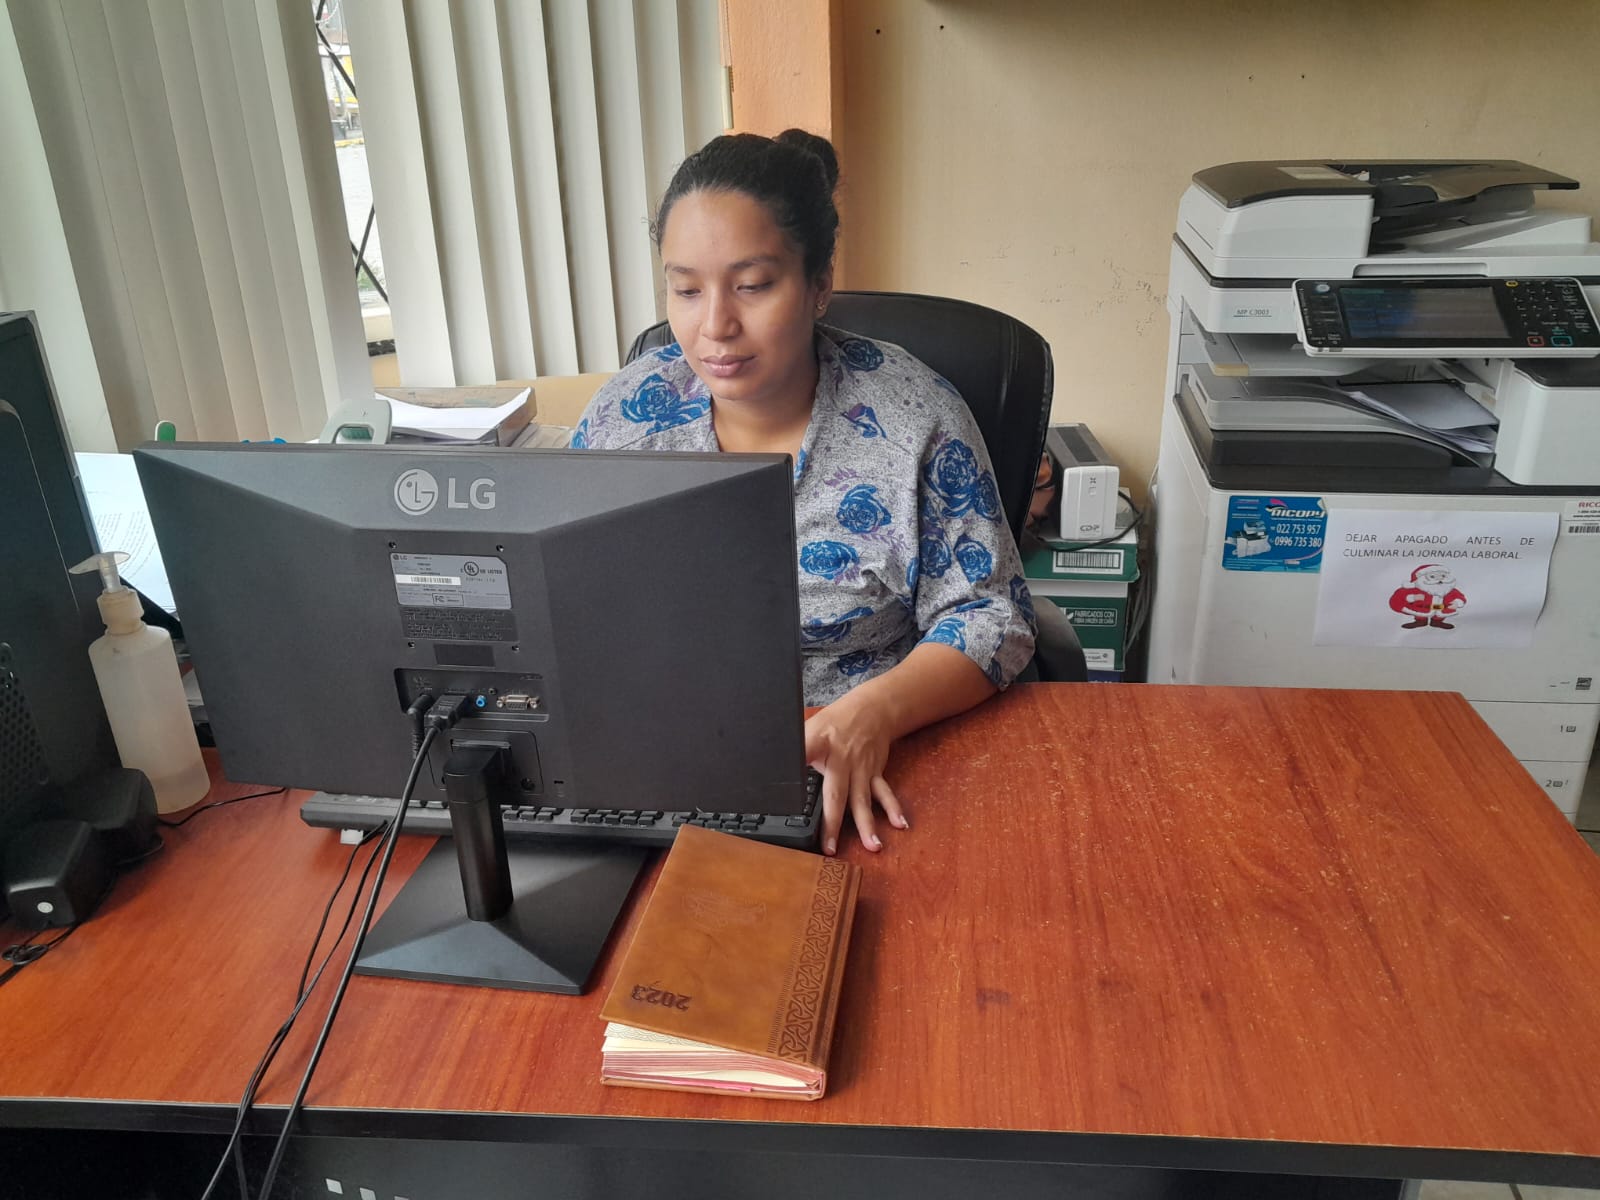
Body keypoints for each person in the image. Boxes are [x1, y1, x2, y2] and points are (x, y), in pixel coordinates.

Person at [572, 129, 1037, 857]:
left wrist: (873, 713)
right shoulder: (627, 415)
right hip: (663, 759)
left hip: (868, 756)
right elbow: (563, 593)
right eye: (686, 289)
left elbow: (990, 616)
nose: (715, 326)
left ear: (819, 283)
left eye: (753, 285)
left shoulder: (914, 420)